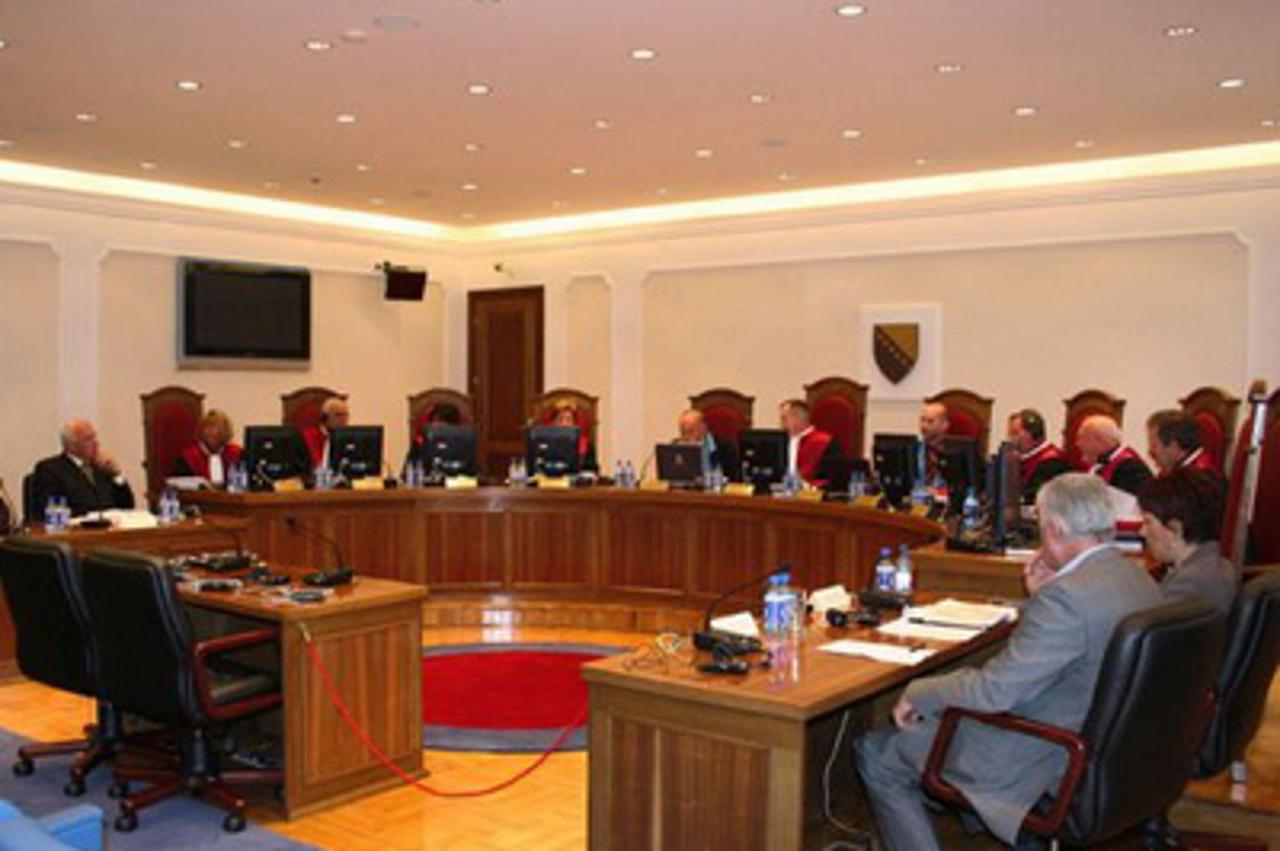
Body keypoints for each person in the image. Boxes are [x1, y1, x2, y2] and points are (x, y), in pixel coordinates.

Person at [854, 474, 1161, 851]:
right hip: (1111, 753)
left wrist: (918, 691)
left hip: (1044, 755)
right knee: (937, 721)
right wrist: (1041, 597)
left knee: (878, 753)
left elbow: (994, 692)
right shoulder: (1137, 577)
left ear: (1056, 528)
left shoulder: (1067, 598)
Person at [1138, 468, 1238, 616]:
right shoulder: (1220, 565)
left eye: (1148, 522)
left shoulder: (1186, 586)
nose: (1142, 532)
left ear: (1175, 529)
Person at [31, 419, 137, 517]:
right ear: (71, 445)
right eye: (88, 439)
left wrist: (117, 473)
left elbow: (127, 506)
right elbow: (51, 510)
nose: (96, 443)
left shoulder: (102, 468)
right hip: (76, 529)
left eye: (95, 437)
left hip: (109, 528)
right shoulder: (50, 470)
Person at [1075, 414, 1152, 496]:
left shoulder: (1131, 469)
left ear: (1100, 440)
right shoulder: (1100, 463)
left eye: (1082, 438)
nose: (1078, 444)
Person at [1007, 408, 1070, 502]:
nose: (1011, 439)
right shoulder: (1019, 458)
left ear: (1033, 433)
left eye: (1015, 433)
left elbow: (1035, 497)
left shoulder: (1052, 462)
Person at [779, 399, 842, 489]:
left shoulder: (826, 442)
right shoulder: (781, 441)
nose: (782, 423)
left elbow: (832, 477)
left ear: (798, 418)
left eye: (784, 419)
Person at [172, 409, 242, 486]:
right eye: (206, 427)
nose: (209, 431)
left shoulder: (236, 454)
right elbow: (178, 484)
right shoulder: (189, 457)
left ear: (225, 431)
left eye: (215, 427)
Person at [1146, 409, 1217, 477]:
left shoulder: (1198, 479)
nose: (1150, 452)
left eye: (1154, 446)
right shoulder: (1173, 472)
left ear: (1174, 447)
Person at [675, 409, 740, 481]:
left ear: (703, 427)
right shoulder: (676, 446)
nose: (687, 436)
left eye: (691, 430)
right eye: (684, 432)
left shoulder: (724, 446)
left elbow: (733, 477)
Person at [301, 397, 350, 468]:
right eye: (338, 415)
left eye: (346, 415)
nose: (344, 419)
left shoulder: (348, 437)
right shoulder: (310, 435)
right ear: (325, 417)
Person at [551, 404, 598, 474]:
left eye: (568, 420)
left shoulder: (586, 444)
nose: (564, 424)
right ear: (554, 423)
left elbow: (592, 469)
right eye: (560, 420)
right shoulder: (546, 443)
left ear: (574, 423)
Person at [918, 402, 950, 480]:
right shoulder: (915, 449)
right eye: (922, 420)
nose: (924, 426)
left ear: (944, 425)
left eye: (930, 421)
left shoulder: (954, 450)